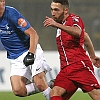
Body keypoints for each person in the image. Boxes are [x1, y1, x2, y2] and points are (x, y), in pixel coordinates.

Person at [43, 0, 100, 100]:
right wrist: (93, 56)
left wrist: (56, 25)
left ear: (65, 10)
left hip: (79, 66)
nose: (53, 13)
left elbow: (78, 32)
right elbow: (85, 36)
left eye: (56, 10)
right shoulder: (62, 24)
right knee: (55, 93)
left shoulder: (74, 19)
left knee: (96, 95)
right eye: (51, 9)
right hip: (66, 69)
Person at [0, 0, 53, 100]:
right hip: (15, 57)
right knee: (18, 90)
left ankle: (50, 94)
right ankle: (50, 84)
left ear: (3, 2)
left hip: (29, 49)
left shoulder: (12, 14)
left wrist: (31, 54)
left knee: (39, 82)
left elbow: (33, 34)